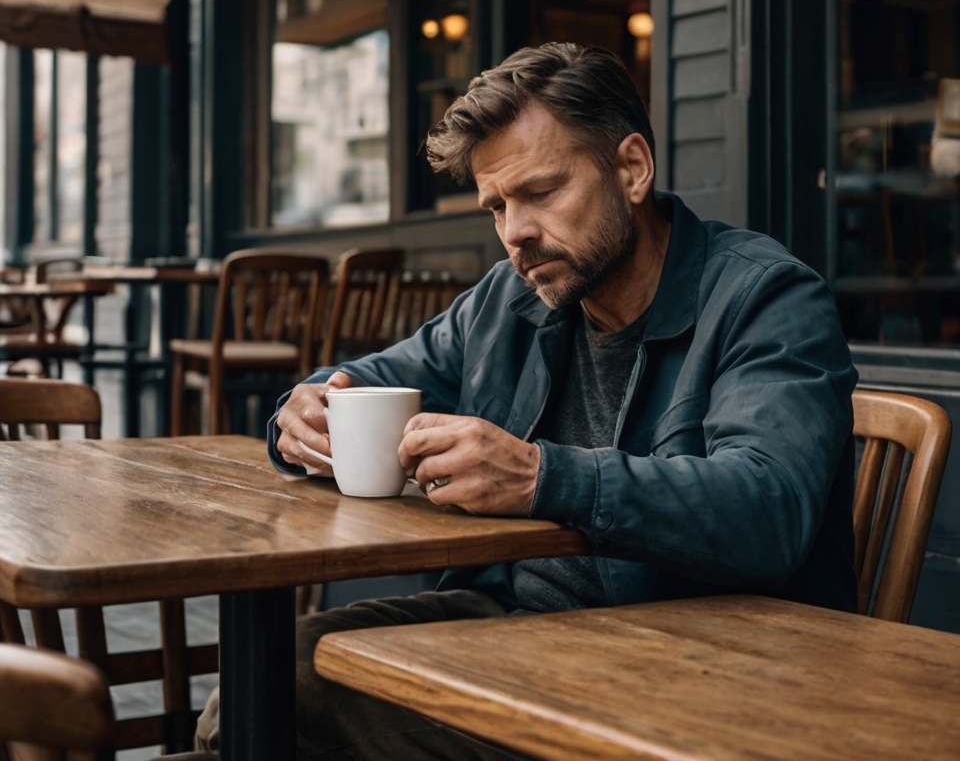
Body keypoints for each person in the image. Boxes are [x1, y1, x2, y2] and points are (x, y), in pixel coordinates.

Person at [197, 42, 858, 759]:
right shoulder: (513, 299)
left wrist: (543, 477)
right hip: (514, 624)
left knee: (276, 698)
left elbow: (768, 509)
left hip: (699, 667)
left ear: (631, 169)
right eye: (497, 206)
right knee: (262, 679)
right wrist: (308, 405)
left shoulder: (765, 297)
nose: (515, 233)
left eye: (541, 193)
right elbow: (375, 376)